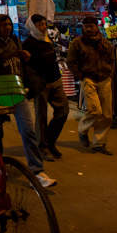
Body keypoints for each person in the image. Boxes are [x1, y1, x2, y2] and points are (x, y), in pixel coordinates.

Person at [0, 14, 56, 188]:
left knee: (28, 131)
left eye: (9, 24)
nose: (7, 27)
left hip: (18, 91)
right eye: (3, 25)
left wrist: (25, 59)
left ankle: (37, 171)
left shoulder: (15, 40)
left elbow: (22, 64)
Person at [66, 16, 115, 155]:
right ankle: (82, 130)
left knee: (107, 114)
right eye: (86, 26)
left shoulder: (105, 43)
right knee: (95, 110)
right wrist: (80, 76)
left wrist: (110, 74)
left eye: (91, 26)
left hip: (105, 79)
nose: (88, 28)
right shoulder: (77, 43)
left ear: (96, 26)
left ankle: (99, 143)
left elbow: (111, 60)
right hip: (88, 79)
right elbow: (71, 61)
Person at [24, 14, 69, 160]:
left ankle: (49, 141)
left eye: (44, 24)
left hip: (55, 81)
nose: (43, 28)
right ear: (32, 26)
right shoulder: (27, 44)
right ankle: (42, 148)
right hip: (40, 85)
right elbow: (26, 67)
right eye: (40, 25)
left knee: (63, 110)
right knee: (41, 117)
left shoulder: (47, 40)